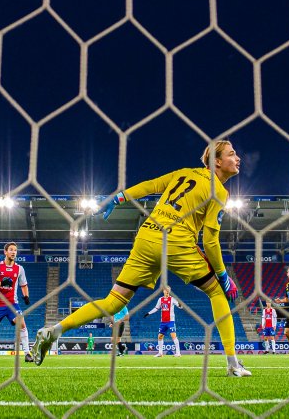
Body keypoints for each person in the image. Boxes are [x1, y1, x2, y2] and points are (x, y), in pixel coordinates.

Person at [32, 140, 250, 377]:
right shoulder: (218, 190)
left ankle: (54, 330)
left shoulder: (184, 173)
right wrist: (223, 275)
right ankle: (232, 364)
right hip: (175, 241)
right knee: (218, 292)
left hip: (147, 236)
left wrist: (119, 198)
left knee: (113, 302)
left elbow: (151, 185)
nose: (237, 158)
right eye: (232, 154)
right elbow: (210, 241)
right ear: (217, 161)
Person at [0, 241, 34, 362]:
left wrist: (26, 296)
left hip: (12, 304)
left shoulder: (19, 269)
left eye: (15, 250)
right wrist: (1, 283)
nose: (13, 252)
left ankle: (27, 353)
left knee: (21, 322)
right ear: (5, 252)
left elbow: (24, 285)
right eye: (11, 250)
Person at [145, 285, 183, 357]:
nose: (167, 291)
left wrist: (180, 305)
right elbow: (156, 308)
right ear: (163, 291)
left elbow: (180, 306)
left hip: (171, 321)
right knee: (160, 336)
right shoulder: (160, 299)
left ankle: (178, 353)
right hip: (163, 322)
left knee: (173, 336)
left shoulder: (172, 299)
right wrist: (148, 313)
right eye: (166, 290)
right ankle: (160, 353)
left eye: (168, 290)